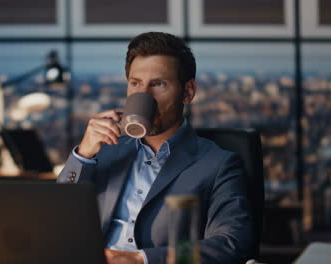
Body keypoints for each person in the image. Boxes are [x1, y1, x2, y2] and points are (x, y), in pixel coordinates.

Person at [57, 32, 254, 264]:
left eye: (158, 84)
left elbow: (232, 243)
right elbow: (57, 217)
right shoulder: (104, 150)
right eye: (135, 84)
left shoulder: (218, 164)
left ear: (188, 92)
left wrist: (141, 259)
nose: (144, 95)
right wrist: (83, 156)